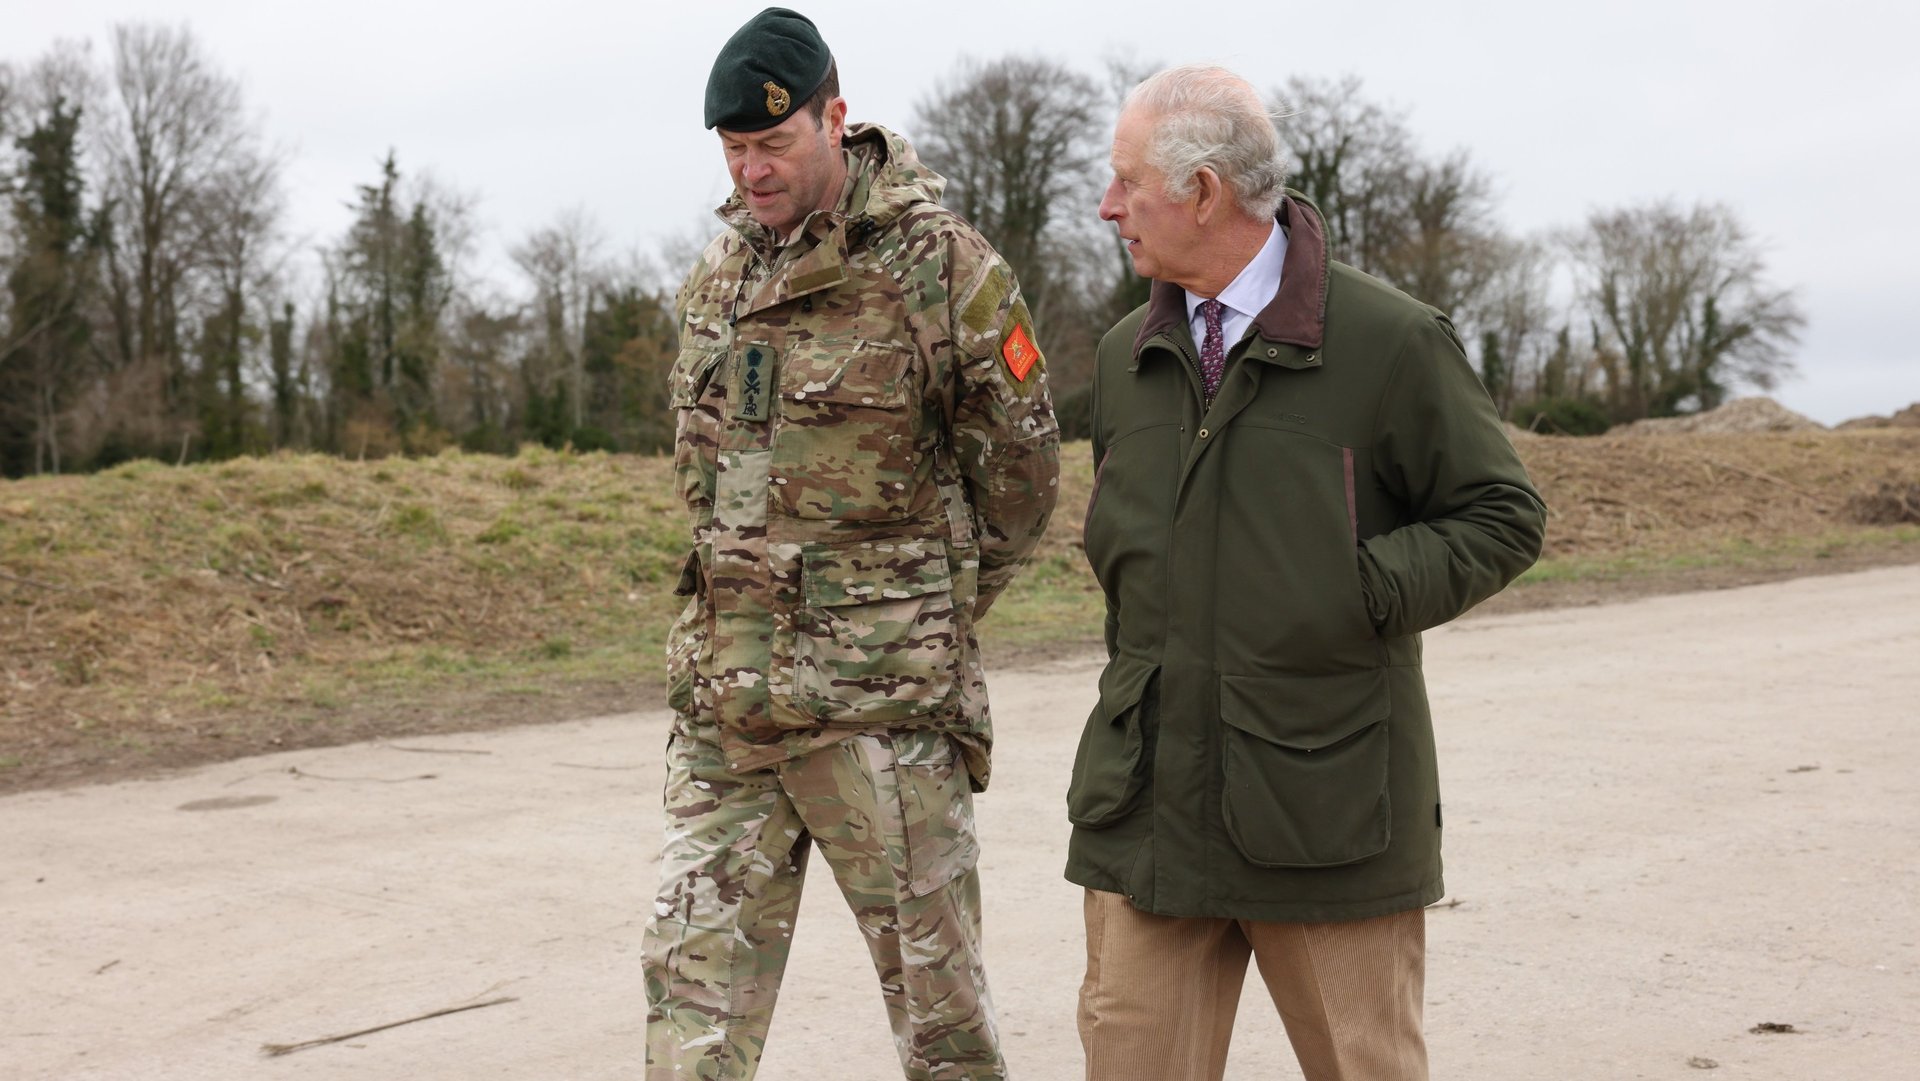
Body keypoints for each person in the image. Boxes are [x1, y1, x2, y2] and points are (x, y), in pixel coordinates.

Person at [1069, 65, 1547, 1081]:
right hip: (1149, 811)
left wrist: (1355, 589)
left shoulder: (1391, 342)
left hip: (1326, 810)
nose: (1108, 205)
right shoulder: (1123, 357)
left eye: (1127, 182)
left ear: (1203, 191)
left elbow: (1501, 515)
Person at [641, 8, 1059, 1080]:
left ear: (836, 119)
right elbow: (702, 481)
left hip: (882, 710)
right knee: (689, 1004)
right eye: (734, 148)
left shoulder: (941, 269)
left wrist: (911, 612)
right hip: (729, 710)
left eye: (773, 144)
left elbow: (1021, 478)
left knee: (942, 1024)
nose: (752, 170)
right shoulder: (718, 277)